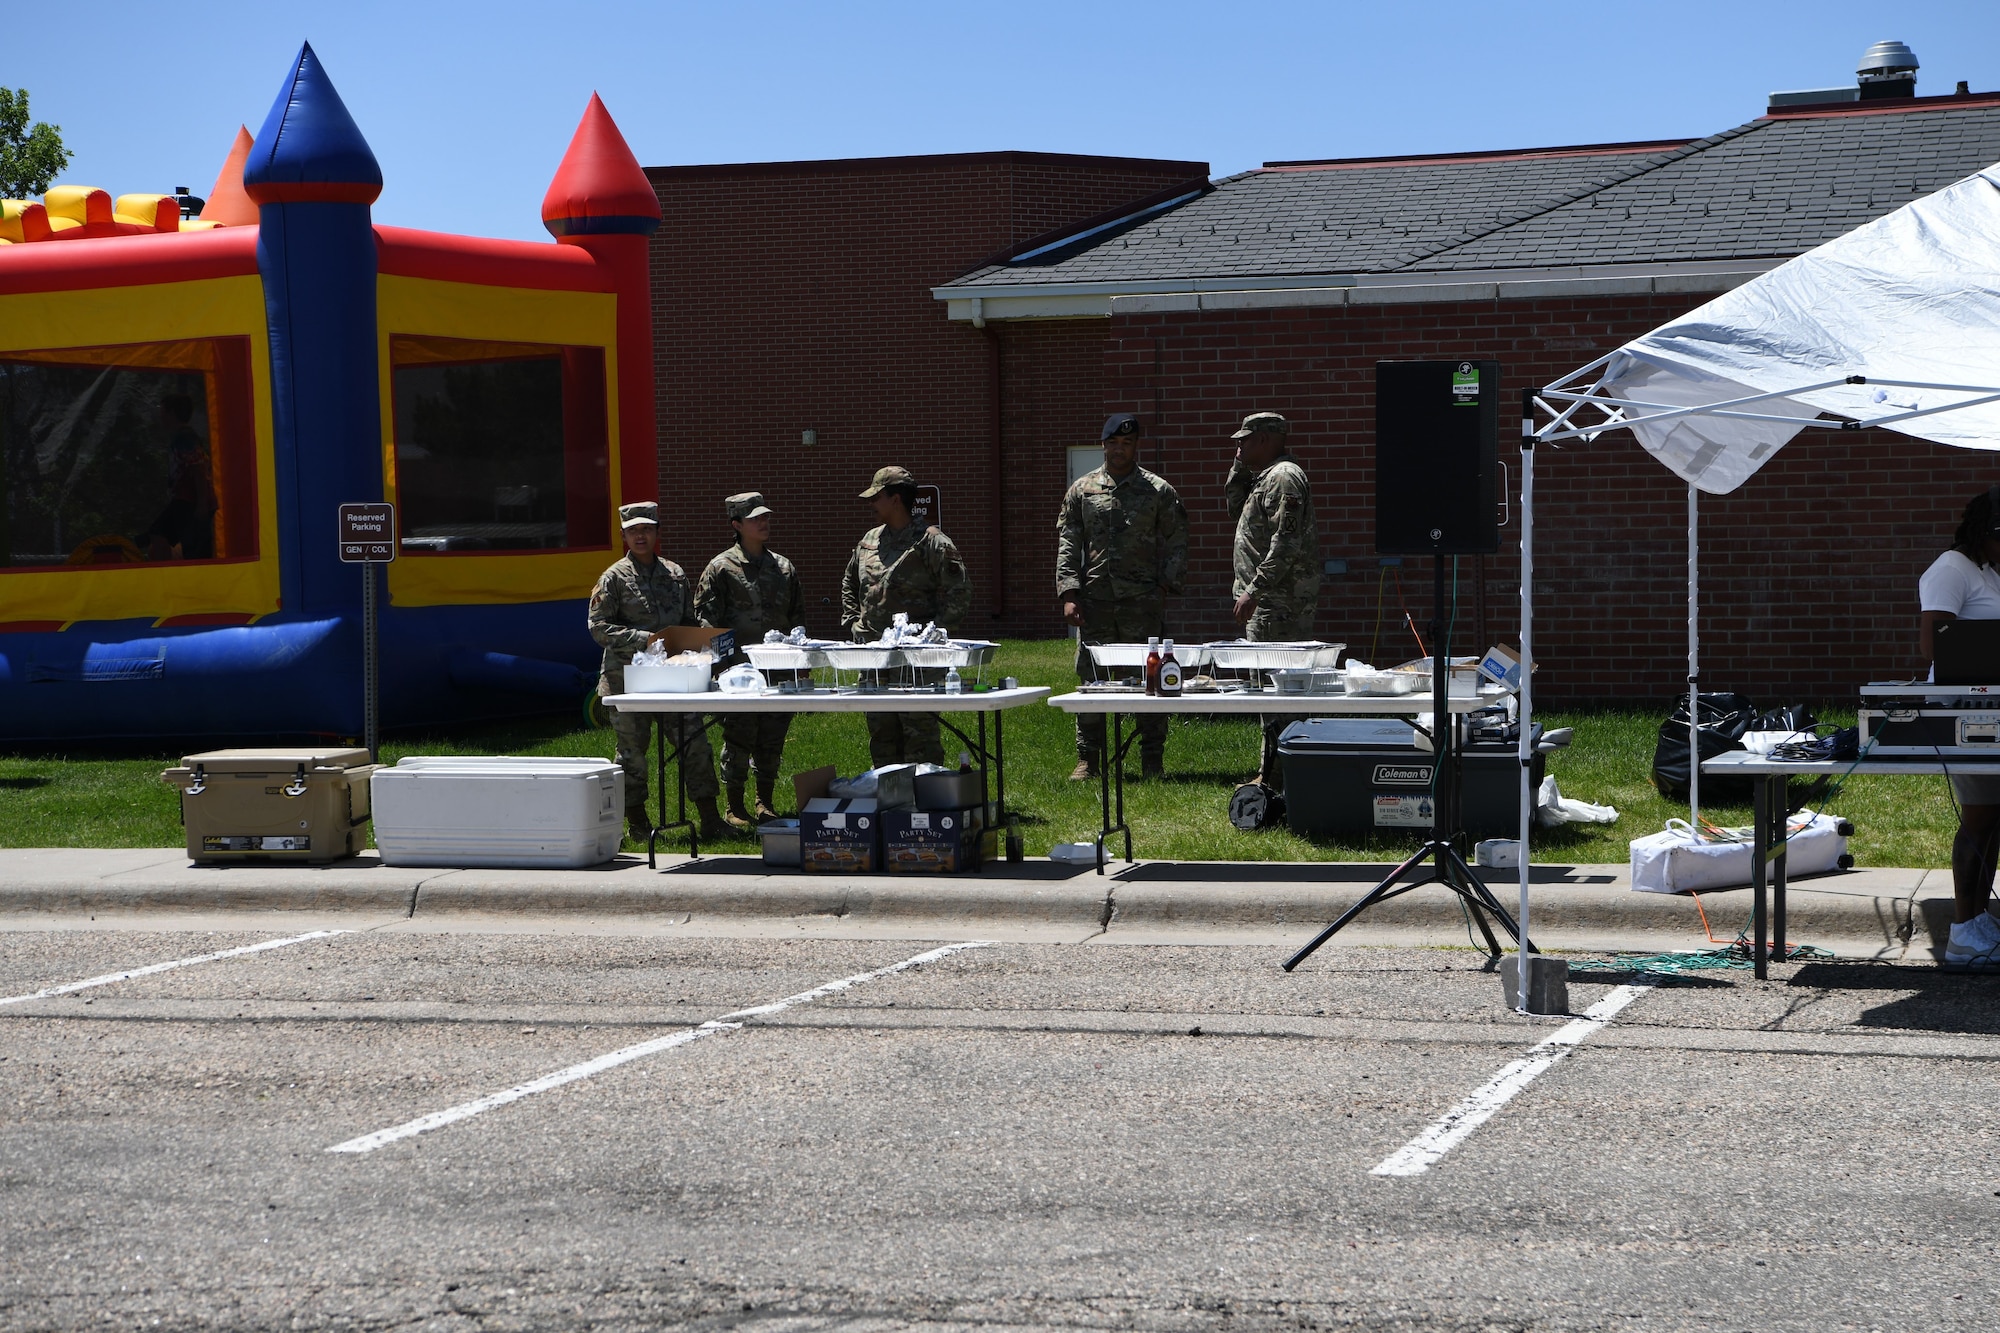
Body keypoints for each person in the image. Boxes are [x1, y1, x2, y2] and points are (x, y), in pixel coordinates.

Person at [1057, 412, 1189, 780]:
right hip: (1096, 601)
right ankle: (1088, 759)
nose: (1119, 450)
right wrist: (1069, 591)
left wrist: (1166, 583)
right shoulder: (1082, 491)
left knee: (1151, 682)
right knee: (1091, 679)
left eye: (1127, 443)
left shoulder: (1157, 491)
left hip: (1141, 602)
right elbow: (1068, 543)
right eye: (1113, 443)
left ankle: (1152, 760)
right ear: (1103, 445)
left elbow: (1179, 537)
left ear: (1136, 446)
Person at [589, 501, 725, 843]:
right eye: (633, 530)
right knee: (633, 754)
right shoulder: (613, 578)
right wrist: (642, 639)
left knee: (695, 744)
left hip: (673, 680)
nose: (641, 535)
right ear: (623, 536)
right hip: (627, 681)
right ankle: (637, 823)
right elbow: (597, 627)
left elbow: (687, 622)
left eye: (647, 529)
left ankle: (710, 818)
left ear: (657, 532)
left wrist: (704, 639)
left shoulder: (674, 574)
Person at [840, 466, 972, 767]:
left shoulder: (931, 541)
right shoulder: (870, 540)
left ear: (896, 499)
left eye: (877, 498)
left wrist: (936, 637)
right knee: (881, 733)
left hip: (915, 662)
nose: (872, 504)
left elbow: (959, 590)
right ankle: (888, 799)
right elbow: (849, 581)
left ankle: (926, 800)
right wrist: (852, 622)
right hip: (873, 657)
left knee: (919, 735)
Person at [1921, 488, 2000, 969]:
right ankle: (1963, 931)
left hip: (1994, 708)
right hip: (1964, 714)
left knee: (1995, 819)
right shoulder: (1952, 569)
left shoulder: (1991, 572)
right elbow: (1935, 647)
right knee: (1979, 817)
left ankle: (1978, 920)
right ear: (1986, 534)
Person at [697, 492, 807, 828]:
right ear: (736, 524)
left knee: (771, 737)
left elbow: (797, 618)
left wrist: (799, 664)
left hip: (777, 669)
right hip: (738, 672)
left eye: (766, 517)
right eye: (755, 518)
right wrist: (720, 668)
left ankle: (765, 801)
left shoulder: (783, 567)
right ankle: (734, 806)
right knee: (739, 737)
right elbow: (706, 621)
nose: (764, 522)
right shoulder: (721, 568)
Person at [1225, 411, 1321, 792]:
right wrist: (1238, 465)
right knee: (1267, 690)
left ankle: (1281, 774)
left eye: (1244, 440)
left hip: (1278, 603)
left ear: (1265, 439)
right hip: (1268, 601)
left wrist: (1255, 589)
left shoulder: (1283, 478)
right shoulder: (1264, 477)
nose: (1239, 446)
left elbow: (1287, 542)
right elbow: (1234, 506)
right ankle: (1274, 771)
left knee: (1279, 691)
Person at [140, 394, 217, 560]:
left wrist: (202, 503)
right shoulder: (181, 437)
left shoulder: (184, 437)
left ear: (172, 413)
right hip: (187, 500)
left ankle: (171, 573)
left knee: (163, 534)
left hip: (189, 500)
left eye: (163, 412)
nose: (161, 417)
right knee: (184, 542)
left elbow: (198, 468)